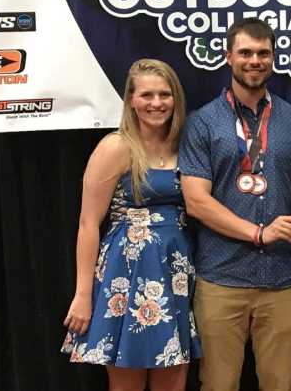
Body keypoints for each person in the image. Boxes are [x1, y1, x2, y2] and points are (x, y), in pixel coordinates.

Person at [178, 17, 291, 391]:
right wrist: (258, 233)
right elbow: (196, 202)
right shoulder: (202, 122)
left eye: (263, 53)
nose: (254, 60)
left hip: (281, 280)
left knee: (280, 384)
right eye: (245, 52)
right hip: (221, 278)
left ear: (273, 58)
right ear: (228, 57)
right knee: (218, 385)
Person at [61, 59, 202, 391]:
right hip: (126, 272)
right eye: (147, 95)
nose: (156, 103)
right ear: (131, 101)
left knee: (174, 379)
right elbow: (87, 224)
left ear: (176, 99)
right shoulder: (116, 147)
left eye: (164, 94)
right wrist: (83, 295)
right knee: (127, 381)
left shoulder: (188, 145)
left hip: (177, 273)